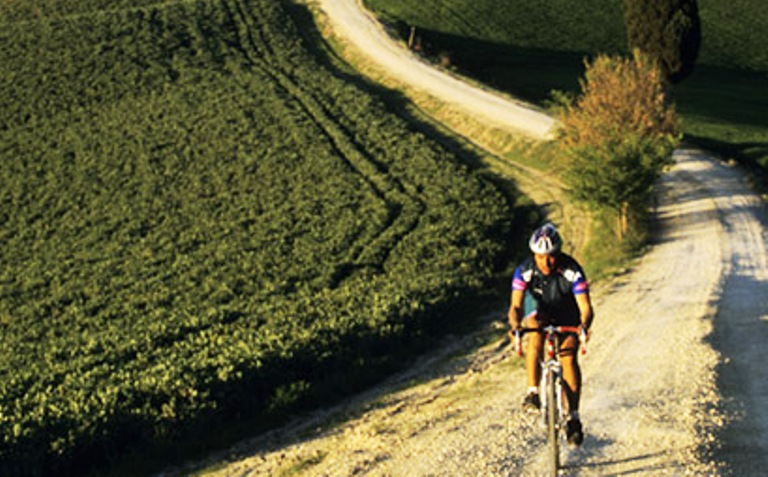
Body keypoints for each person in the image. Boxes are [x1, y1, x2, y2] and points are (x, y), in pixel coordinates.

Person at [507, 222, 594, 446]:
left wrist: (583, 326)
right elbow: (516, 306)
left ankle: (574, 417)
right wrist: (516, 326)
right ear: (533, 254)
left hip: (567, 311)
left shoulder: (572, 270)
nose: (546, 262)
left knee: (567, 355)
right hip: (540, 308)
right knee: (534, 331)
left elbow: (585, 307)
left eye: (551, 256)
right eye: (540, 256)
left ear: (559, 252)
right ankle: (533, 391)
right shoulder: (524, 270)